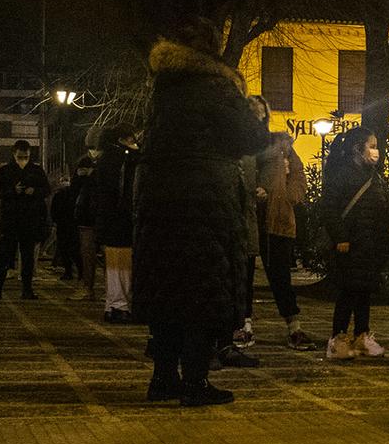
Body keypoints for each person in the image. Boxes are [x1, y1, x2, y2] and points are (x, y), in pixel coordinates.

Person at [134, 28, 271, 404]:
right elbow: (251, 138)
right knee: (202, 290)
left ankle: (162, 378)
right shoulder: (217, 86)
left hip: (160, 198)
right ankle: (196, 381)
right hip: (205, 199)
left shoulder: (163, 88)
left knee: (167, 290)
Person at [320, 125, 389, 362]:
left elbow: (384, 203)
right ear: (358, 148)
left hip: (370, 244)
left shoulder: (373, 176)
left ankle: (362, 336)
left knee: (364, 290)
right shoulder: (342, 174)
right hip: (351, 244)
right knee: (348, 291)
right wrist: (340, 236)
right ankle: (339, 338)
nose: (376, 151)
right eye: (372, 146)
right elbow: (330, 209)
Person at [221, 95, 273, 365]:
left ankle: (239, 325)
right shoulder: (233, 146)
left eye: (261, 113)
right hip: (230, 222)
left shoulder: (260, 148)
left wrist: (265, 186)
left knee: (245, 276)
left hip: (247, 220)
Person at [254, 130, 314, 349]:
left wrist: (286, 195)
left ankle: (293, 326)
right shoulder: (254, 148)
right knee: (242, 275)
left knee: (281, 277)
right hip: (254, 217)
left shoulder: (289, 153)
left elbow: (299, 180)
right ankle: (243, 325)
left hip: (279, 219)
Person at [0, 140, 50, 300]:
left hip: (29, 219)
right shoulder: (6, 170)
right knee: (4, 254)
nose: (23, 159)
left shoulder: (36, 171)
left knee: (28, 256)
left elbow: (46, 189)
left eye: (26, 157)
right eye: (20, 156)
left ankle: (27, 288)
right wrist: (12, 191)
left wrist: (34, 191)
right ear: (14, 154)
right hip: (11, 218)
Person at [91, 125, 139, 322]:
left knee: (113, 266)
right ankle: (121, 306)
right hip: (122, 220)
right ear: (123, 140)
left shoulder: (104, 159)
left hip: (108, 220)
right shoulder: (124, 160)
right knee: (124, 266)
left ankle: (113, 304)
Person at [70, 154, 99, 302]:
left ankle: (88, 288)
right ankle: (87, 287)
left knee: (88, 255)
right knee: (86, 255)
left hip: (89, 221)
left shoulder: (92, 181)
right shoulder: (86, 181)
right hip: (85, 220)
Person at [50, 163, 82, 282]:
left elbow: (54, 210)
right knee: (67, 250)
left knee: (69, 249)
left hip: (67, 224)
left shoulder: (64, 194)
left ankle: (71, 271)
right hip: (67, 224)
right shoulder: (64, 194)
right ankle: (72, 271)